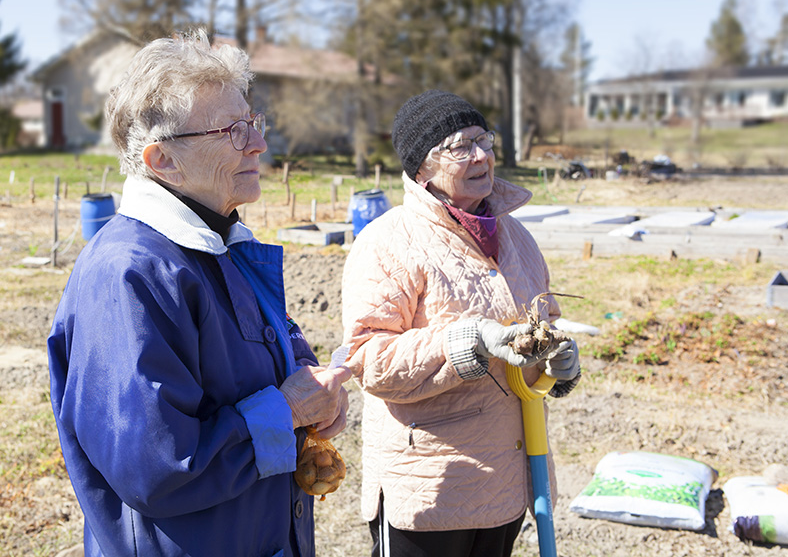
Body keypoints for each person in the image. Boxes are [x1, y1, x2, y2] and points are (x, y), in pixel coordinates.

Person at [47, 30, 352, 557]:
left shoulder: (219, 245)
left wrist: (312, 390)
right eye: (233, 131)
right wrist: (287, 411)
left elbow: (255, 365)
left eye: (253, 123)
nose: (257, 144)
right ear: (162, 159)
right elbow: (157, 468)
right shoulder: (128, 275)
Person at [341, 90, 580, 557]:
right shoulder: (388, 242)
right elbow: (369, 359)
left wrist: (558, 367)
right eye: (459, 146)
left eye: (484, 140)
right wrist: (472, 341)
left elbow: (543, 324)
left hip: (508, 479)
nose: (481, 155)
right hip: (430, 487)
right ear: (421, 169)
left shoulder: (517, 237)